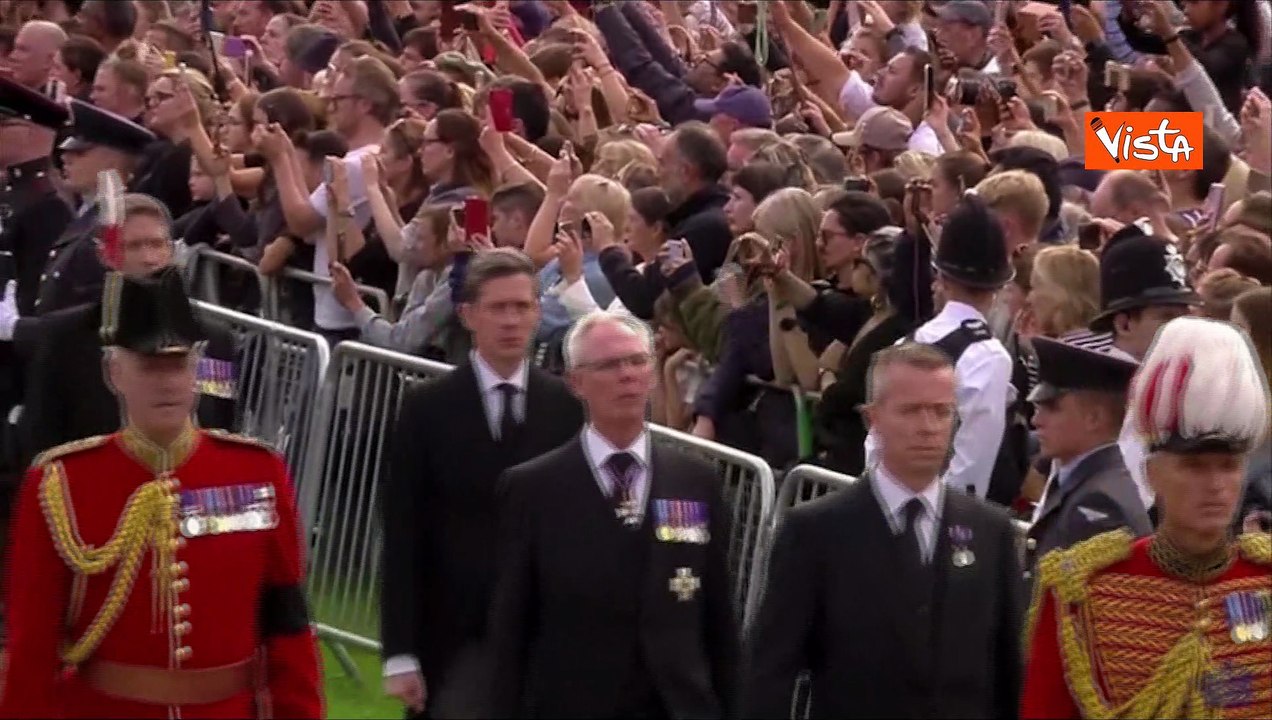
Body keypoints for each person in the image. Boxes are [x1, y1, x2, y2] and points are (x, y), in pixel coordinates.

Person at [0, 268, 323, 718]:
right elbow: (33, 643)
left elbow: (288, 625)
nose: (167, 382)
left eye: (179, 364)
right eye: (150, 366)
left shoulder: (256, 471)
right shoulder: (62, 484)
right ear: (115, 372)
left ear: (198, 369)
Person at [745, 342, 1023, 719]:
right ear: (872, 418)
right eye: (911, 411)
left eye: (941, 412)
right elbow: (770, 671)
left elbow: (1009, 674)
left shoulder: (991, 531)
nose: (928, 427)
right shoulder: (817, 531)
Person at [488, 311, 738, 719]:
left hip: (676, 704)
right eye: (608, 365)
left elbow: (718, 617)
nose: (627, 375)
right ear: (576, 382)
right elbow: (510, 624)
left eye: (637, 361)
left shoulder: (696, 480)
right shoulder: (534, 488)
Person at [1021, 317, 1271, 719]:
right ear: (1152, 474)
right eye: (1194, 467)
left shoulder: (1264, 576)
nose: (1216, 485)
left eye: (1228, 467)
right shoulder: (1081, 589)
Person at [380, 249, 584, 718]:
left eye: (522, 306)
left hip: (543, 636)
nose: (511, 320)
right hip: (452, 636)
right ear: (468, 315)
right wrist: (400, 651)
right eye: (498, 308)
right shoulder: (427, 407)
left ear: (538, 313)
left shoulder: (567, 408)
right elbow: (402, 532)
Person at [17, 193, 240, 465]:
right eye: (133, 246)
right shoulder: (65, 337)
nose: (149, 259)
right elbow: (41, 437)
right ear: (105, 255)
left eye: (157, 244)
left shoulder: (213, 340)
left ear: (171, 250)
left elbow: (218, 423)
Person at [865, 195, 1015, 503]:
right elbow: (972, 463)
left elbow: (875, 441)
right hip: (937, 513)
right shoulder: (989, 357)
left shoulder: (907, 342)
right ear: (1000, 287)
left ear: (940, 277)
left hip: (881, 501)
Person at [0, 97, 154, 329]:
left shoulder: (116, 226)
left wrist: (20, 329)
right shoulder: (91, 217)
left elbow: (94, 316)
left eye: (80, 152)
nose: (65, 157)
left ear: (111, 163)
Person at [1024, 337, 1151, 570]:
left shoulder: (1100, 502)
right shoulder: (1084, 481)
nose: (1036, 420)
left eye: (1051, 408)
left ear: (1094, 418)